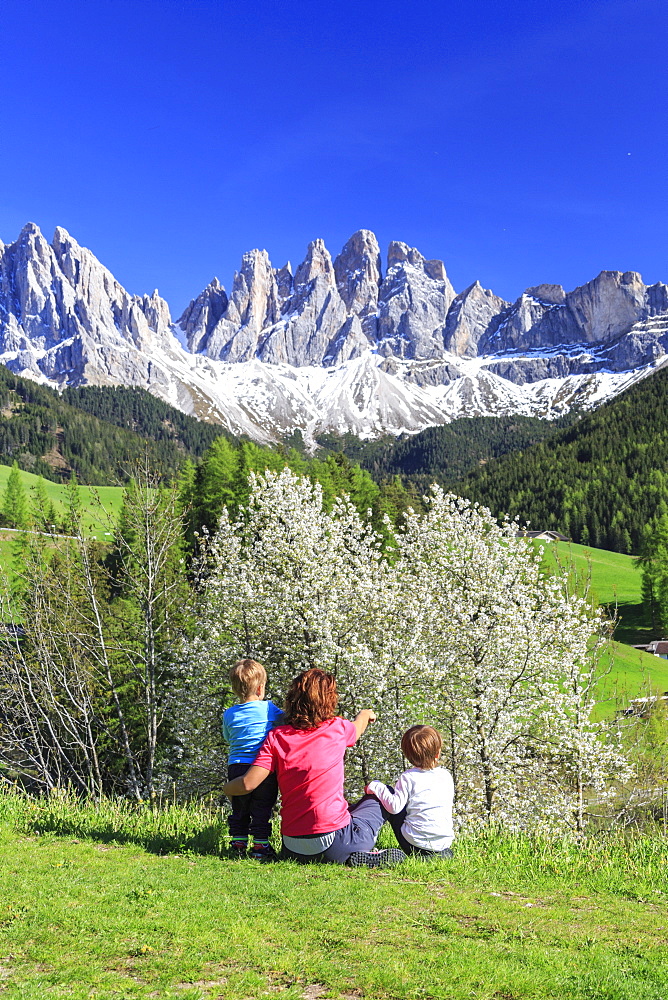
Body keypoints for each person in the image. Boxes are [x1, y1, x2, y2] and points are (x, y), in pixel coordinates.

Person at [222, 667, 406, 868]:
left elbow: (249, 782)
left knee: (348, 809)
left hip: (292, 846)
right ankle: (377, 850)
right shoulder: (337, 728)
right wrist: (365, 714)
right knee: (382, 795)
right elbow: (357, 728)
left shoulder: (276, 737)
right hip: (335, 843)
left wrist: (228, 788)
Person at [222, 658, 282, 860]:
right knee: (262, 807)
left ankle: (238, 842)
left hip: (236, 767)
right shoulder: (269, 709)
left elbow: (228, 738)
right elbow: (285, 723)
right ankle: (260, 846)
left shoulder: (229, 714)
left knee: (239, 807)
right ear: (260, 688)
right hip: (262, 767)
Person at [365, 725, 454, 858]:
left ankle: (366, 842)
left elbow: (394, 808)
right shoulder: (446, 775)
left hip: (414, 844)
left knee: (388, 794)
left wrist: (376, 786)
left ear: (407, 755)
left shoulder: (408, 777)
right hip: (443, 843)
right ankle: (436, 855)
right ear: (438, 753)